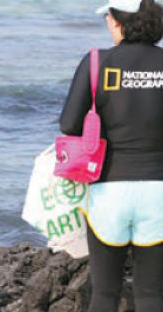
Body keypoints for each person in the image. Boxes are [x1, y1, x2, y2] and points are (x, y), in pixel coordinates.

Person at [59, 0, 163, 310]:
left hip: (108, 190)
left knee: (104, 292)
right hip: (159, 190)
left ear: (119, 22)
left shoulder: (96, 63)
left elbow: (69, 124)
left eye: (108, 16)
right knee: (152, 294)